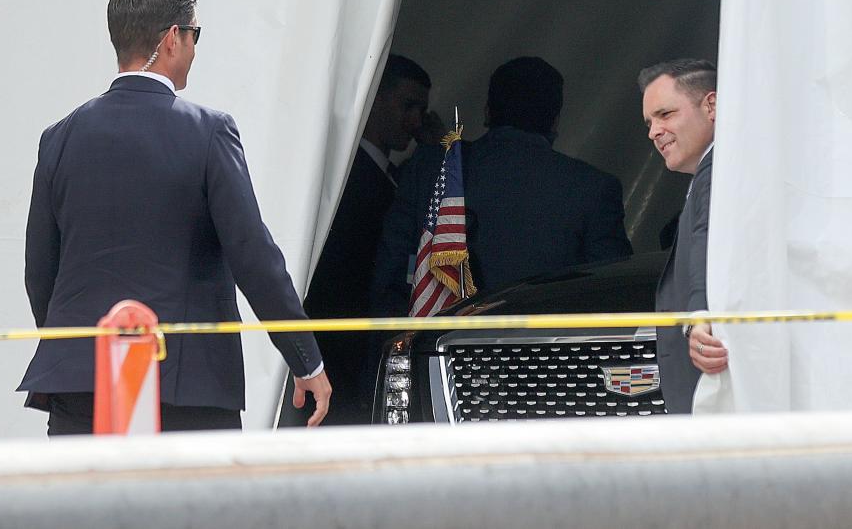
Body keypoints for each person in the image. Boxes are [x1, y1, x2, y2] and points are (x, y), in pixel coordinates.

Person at [18, 0, 331, 435]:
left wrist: (79, 350)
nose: (195, 48)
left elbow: (39, 271)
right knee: (191, 511)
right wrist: (306, 361)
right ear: (171, 40)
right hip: (186, 391)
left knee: (92, 509)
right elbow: (254, 258)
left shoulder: (59, 137)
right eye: (195, 34)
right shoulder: (208, 132)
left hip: (80, 387)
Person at [371, 56, 634, 318]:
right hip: (539, 353)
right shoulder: (593, 188)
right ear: (555, 120)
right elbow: (613, 295)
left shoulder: (428, 168)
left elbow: (389, 275)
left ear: (487, 111)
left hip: (435, 348)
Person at [284, 55, 442, 426]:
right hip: (341, 355)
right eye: (408, 106)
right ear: (374, 99)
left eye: (422, 110)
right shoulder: (350, 179)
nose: (416, 121)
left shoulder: (387, 176)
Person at [638, 58, 728, 414]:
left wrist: (699, 317)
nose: (653, 132)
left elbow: (709, 242)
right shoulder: (708, 172)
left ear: (711, 106)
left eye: (665, 114)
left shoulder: (718, 169)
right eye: (649, 122)